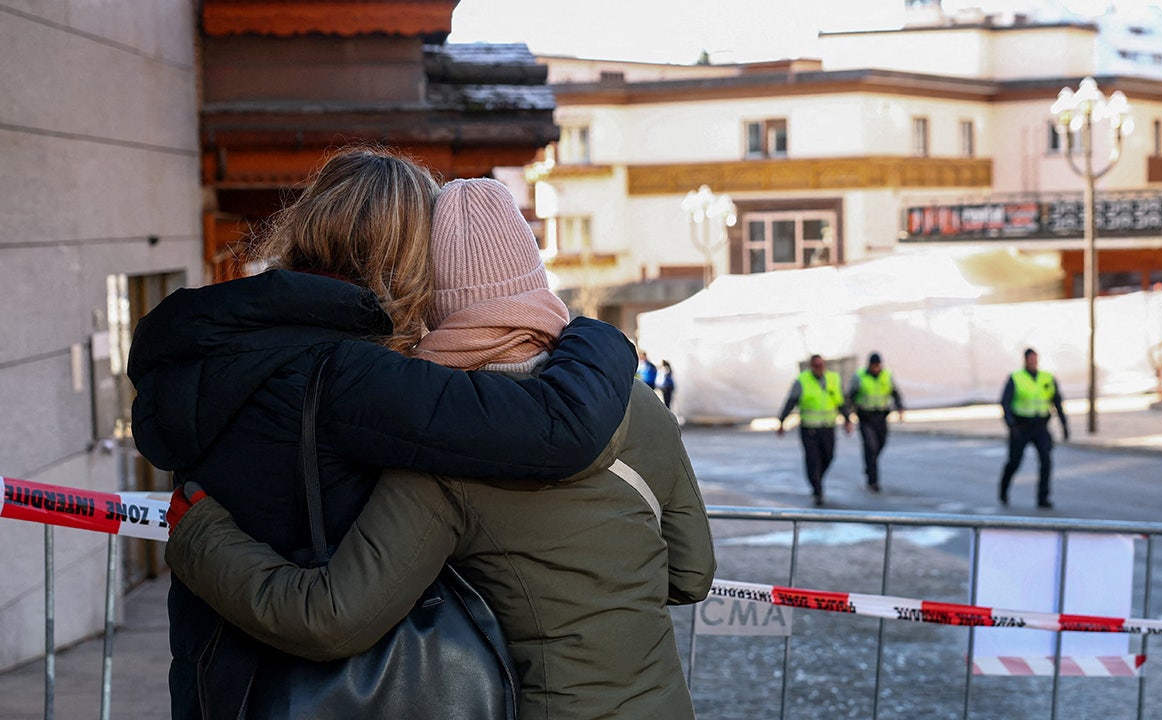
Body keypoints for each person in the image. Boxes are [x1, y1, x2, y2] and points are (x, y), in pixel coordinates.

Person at [163, 177, 717, 720]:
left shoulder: (440, 455)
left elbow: (333, 618)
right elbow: (692, 575)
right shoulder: (637, 402)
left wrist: (200, 534)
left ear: (431, 298)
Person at [998, 347, 1070, 509]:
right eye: (1030, 359)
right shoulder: (1016, 378)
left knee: (1046, 461)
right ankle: (1003, 491)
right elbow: (1005, 402)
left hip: (1040, 427)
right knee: (1014, 462)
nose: (1033, 362)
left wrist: (1064, 425)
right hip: (1021, 427)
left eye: (1035, 359)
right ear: (1025, 360)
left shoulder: (1047, 377)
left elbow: (1057, 402)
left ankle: (1043, 498)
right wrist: (1011, 425)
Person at [776, 354, 849, 506]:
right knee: (813, 460)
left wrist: (847, 419)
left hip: (827, 427)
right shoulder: (802, 380)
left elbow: (840, 401)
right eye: (816, 366)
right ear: (811, 367)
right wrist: (782, 421)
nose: (819, 368)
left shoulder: (833, 379)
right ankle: (817, 490)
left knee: (828, 456)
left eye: (821, 365)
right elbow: (791, 401)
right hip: (809, 429)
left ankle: (817, 480)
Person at [847, 352, 904, 493]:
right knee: (870, 446)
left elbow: (895, 392)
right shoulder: (860, 376)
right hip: (865, 417)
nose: (876, 368)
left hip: (881, 416)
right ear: (869, 365)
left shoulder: (887, 375)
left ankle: (869, 465)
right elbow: (851, 396)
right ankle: (873, 480)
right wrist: (848, 416)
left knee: (881, 443)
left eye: (878, 365)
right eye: (874, 365)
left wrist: (900, 408)